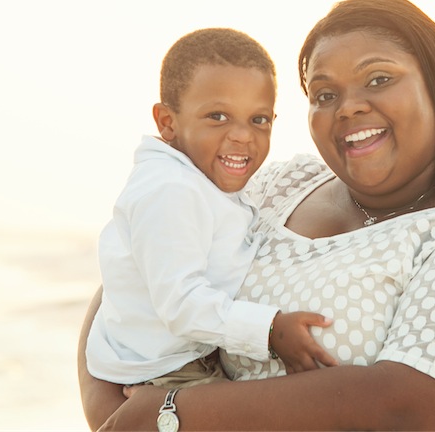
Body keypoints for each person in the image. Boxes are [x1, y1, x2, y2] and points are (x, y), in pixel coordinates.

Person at [78, 0, 435, 432]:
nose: (347, 108)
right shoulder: (277, 186)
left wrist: (171, 415)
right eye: (324, 94)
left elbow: (407, 409)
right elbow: (134, 277)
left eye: (378, 79)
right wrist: (116, 416)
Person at [85, 28, 337, 395]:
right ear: (167, 122)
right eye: (218, 116)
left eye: (259, 120)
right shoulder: (171, 190)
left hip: (184, 356)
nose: (242, 136)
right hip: (166, 372)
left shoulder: (201, 179)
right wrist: (270, 329)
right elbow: (181, 304)